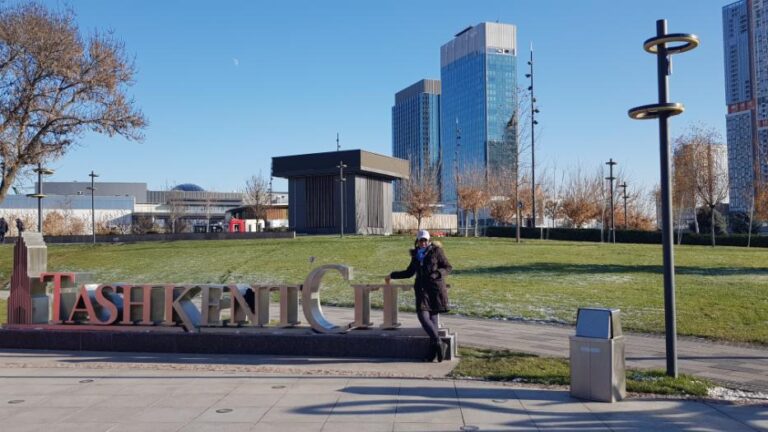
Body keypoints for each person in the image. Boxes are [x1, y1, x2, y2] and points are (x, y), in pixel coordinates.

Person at [386, 229, 453, 362]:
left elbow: (448, 267)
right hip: (422, 290)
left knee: (432, 321)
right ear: (417, 241)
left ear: (429, 241)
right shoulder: (416, 255)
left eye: (425, 240)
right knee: (423, 316)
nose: (423, 243)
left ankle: (432, 353)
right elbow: (409, 272)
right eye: (421, 240)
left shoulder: (436, 251)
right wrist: (392, 275)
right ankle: (439, 343)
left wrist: (437, 274)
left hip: (435, 289)